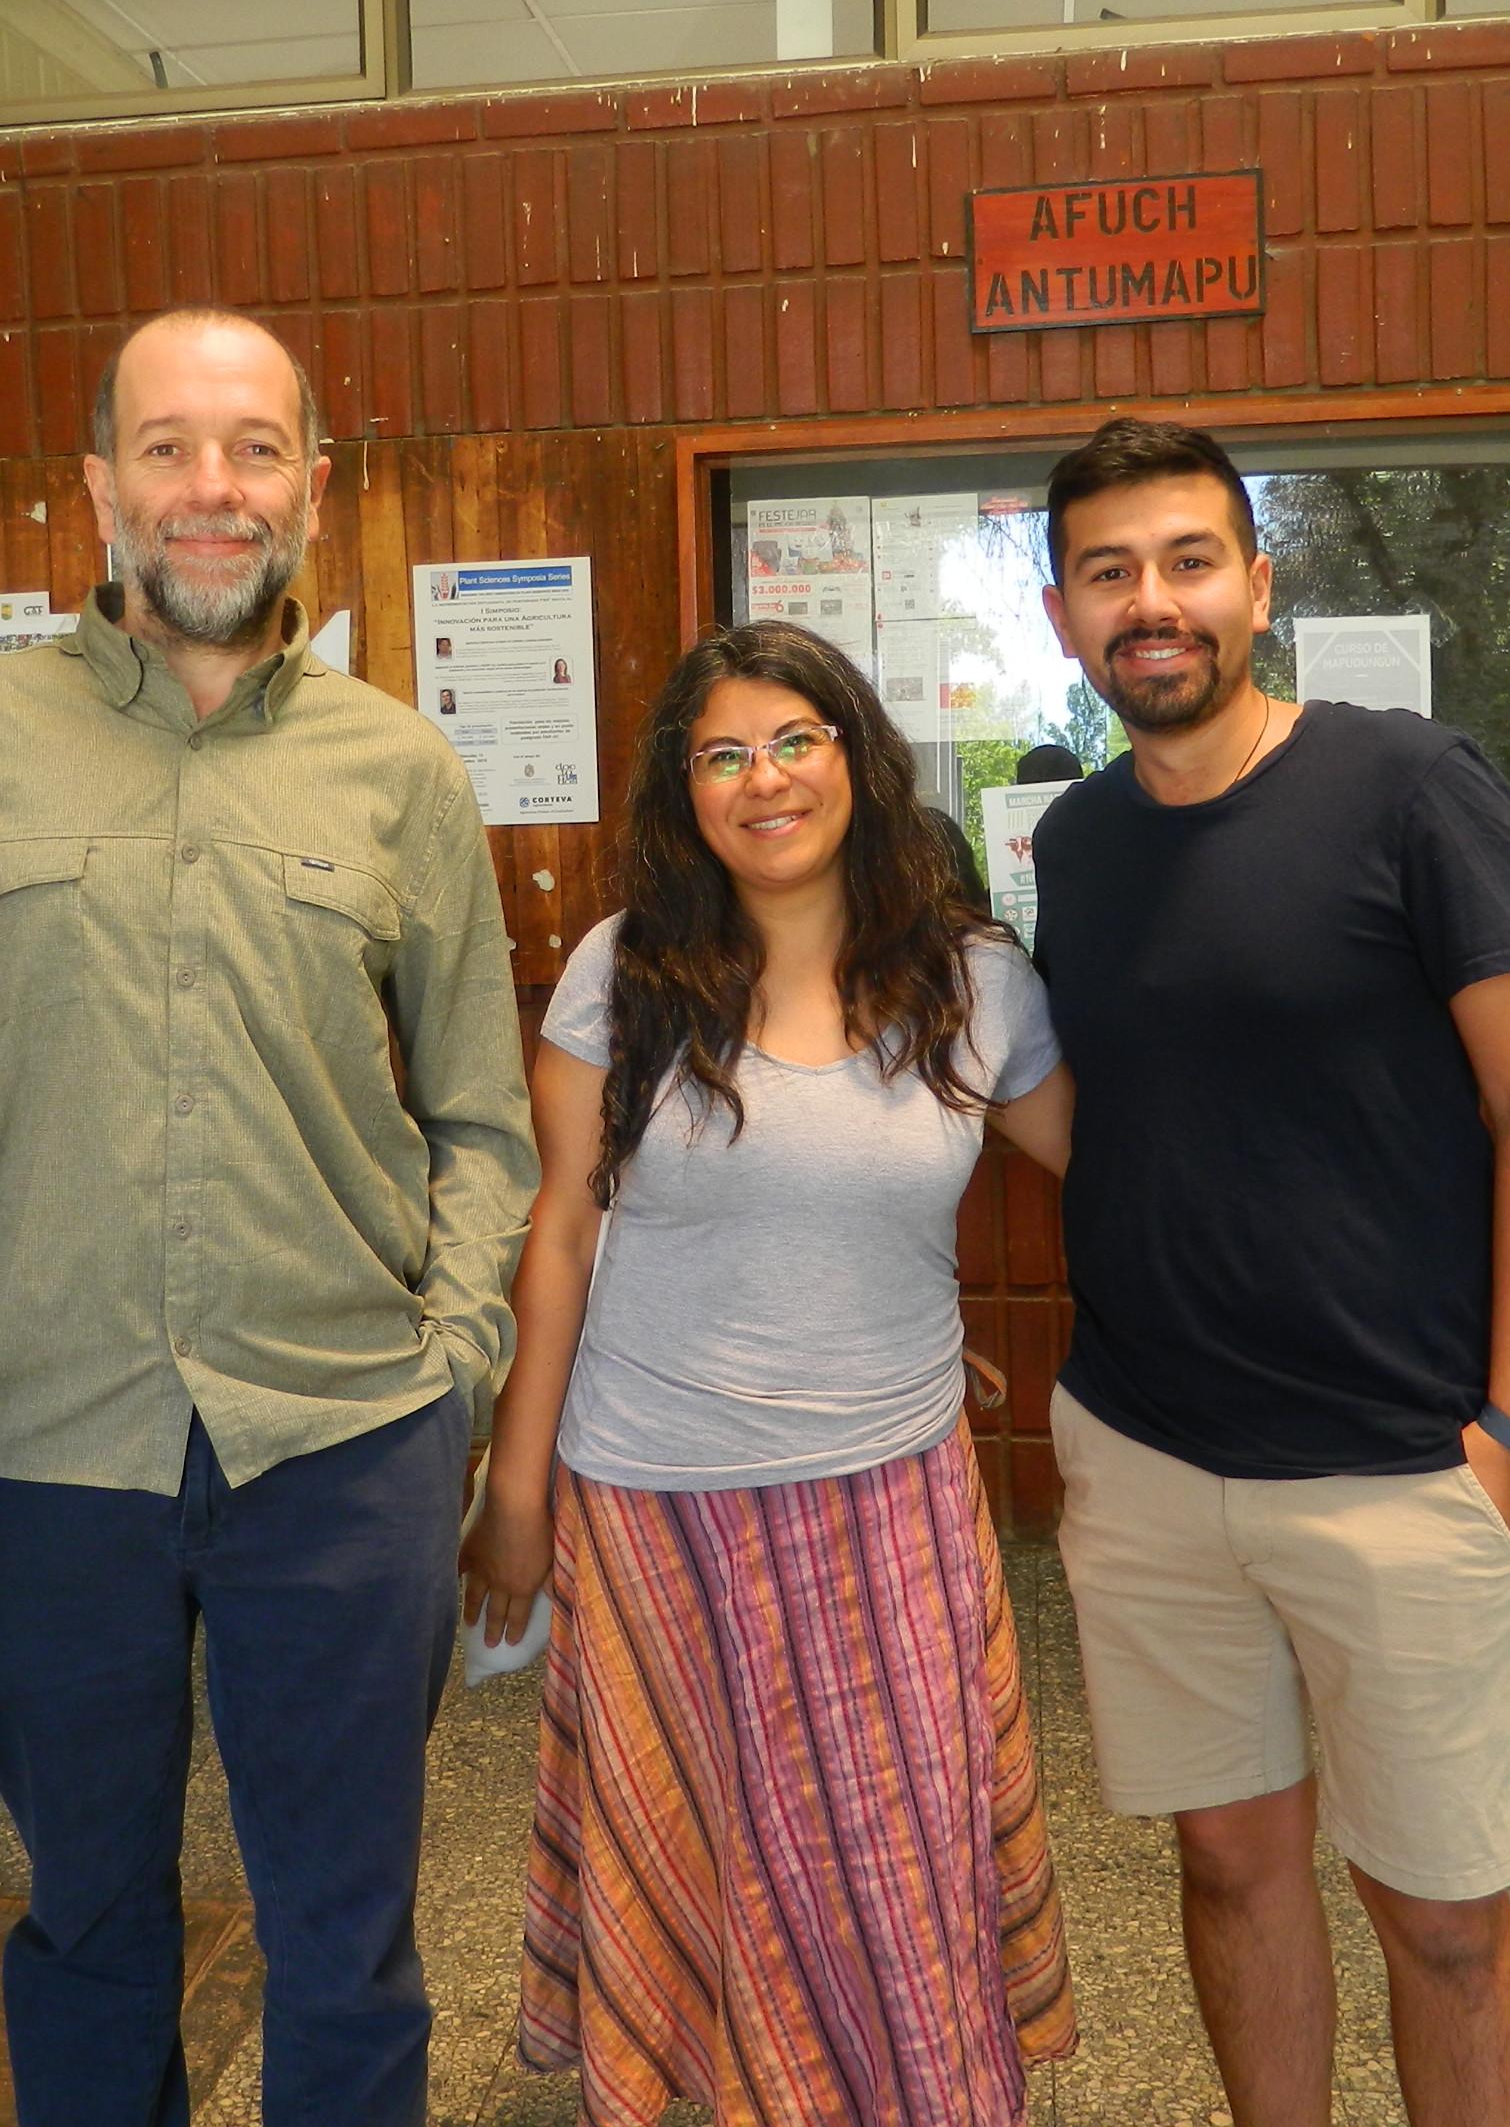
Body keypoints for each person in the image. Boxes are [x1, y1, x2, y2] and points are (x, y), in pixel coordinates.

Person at [0, 305, 536, 2127]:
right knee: (88, 1923)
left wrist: (446, 1369)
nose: (208, 488)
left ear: (311, 480)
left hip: (340, 1437)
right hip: (33, 1453)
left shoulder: (399, 769)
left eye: (250, 447)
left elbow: (478, 1115)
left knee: (343, 1934)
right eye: (165, 446)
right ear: (96, 485)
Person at [1027, 419, 1510, 2127]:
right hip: (1144, 1453)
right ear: (1062, 615)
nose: (1152, 603)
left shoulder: (1404, 783)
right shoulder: (1075, 843)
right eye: (1109, 571)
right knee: (1227, 1863)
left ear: (1254, 587)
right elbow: (1125, 1111)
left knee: (1434, 1913)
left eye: (1187, 561)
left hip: (1399, 1457)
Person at [463, 618, 1081, 2127]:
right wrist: (516, 1487)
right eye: (724, 754)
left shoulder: (972, 982)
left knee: (896, 1874)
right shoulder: (625, 973)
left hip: (894, 1515)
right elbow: (560, 1236)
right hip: (659, 1509)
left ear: (857, 760)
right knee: (712, 1877)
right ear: (685, 793)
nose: (765, 781)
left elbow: (1123, 1186)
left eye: (794, 742)